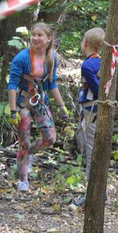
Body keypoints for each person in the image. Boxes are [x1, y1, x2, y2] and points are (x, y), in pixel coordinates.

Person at [7, 22, 69, 192]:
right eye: (33, 34)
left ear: (49, 39)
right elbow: (12, 85)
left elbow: (52, 84)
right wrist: (13, 111)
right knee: (24, 140)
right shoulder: (22, 58)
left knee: (50, 138)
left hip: (40, 102)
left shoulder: (52, 58)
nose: (35, 38)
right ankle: (23, 180)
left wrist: (62, 107)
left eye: (40, 35)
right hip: (22, 103)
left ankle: (28, 154)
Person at [75, 27, 105, 206]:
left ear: (86, 43)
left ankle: (93, 195)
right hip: (95, 111)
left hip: (92, 111)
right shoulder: (104, 62)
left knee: (91, 154)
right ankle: (99, 192)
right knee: (94, 151)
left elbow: (98, 90)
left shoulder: (88, 65)